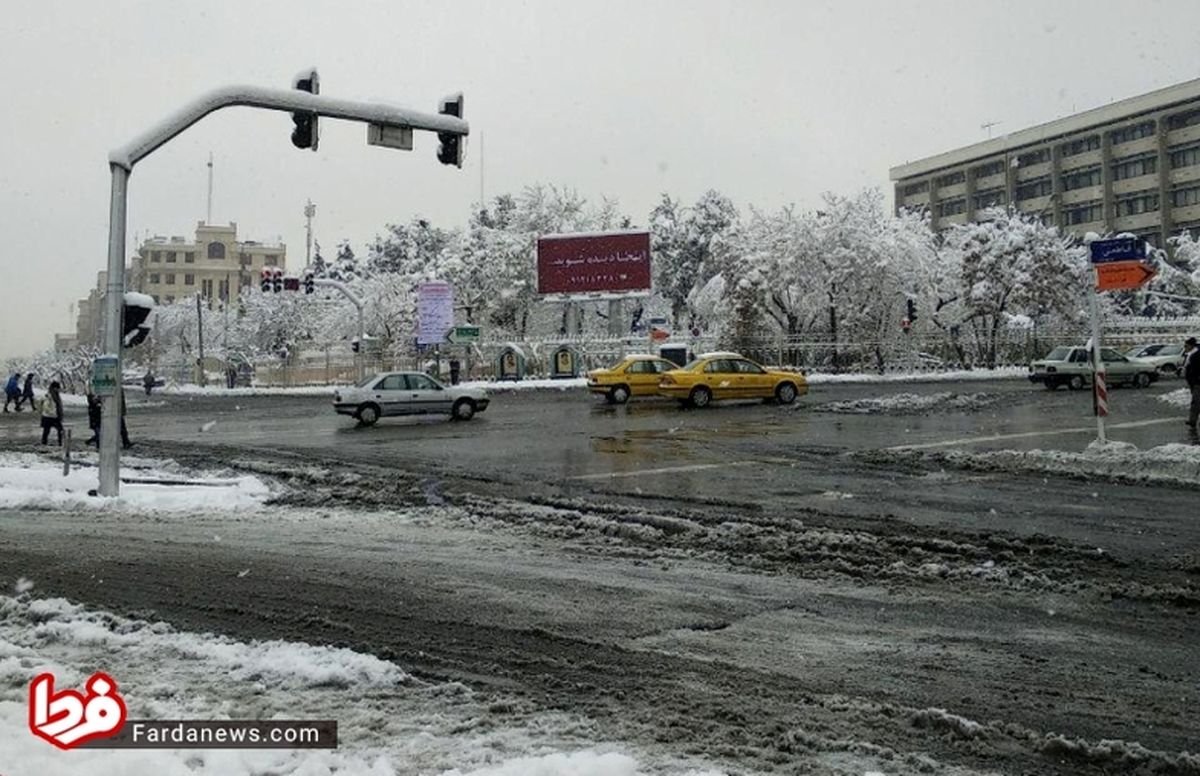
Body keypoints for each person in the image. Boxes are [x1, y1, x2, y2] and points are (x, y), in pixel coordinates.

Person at [38, 381, 64, 446]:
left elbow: (59, 406)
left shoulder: (57, 395)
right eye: (57, 388)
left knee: (60, 430)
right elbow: (45, 406)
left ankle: (60, 443)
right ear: (54, 388)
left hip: (54, 416)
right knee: (47, 430)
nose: (58, 390)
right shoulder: (48, 396)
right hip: (48, 416)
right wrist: (51, 412)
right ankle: (44, 443)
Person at [1184, 336, 1200, 429]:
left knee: (1196, 402)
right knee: (1196, 402)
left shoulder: (1195, 355)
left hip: (1197, 383)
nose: (1185, 348)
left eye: (1186, 346)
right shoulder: (1192, 354)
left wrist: (1193, 381)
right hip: (1195, 382)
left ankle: (1192, 421)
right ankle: (1192, 420)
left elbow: (1192, 370)